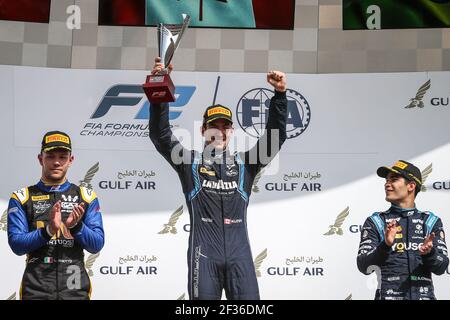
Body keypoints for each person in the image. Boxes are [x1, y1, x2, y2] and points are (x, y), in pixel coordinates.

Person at [149, 57, 288, 299]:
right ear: (203, 131)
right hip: (204, 258)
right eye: (214, 125)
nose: (220, 131)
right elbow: (160, 135)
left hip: (240, 257)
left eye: (225, 126)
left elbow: (274, 139)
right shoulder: (189, 161)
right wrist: (160, 86)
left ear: (232, 131)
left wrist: (279, 95)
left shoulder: (247, 163)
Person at [7, 131, 105, 300]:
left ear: (71, 160)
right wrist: (48, 230)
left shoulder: (86, 196)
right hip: (36, 290)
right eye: (50, 156)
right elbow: (17, 245)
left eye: (63, 156)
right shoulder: (22, 197)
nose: (57, 162)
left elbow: (96, 245)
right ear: (40, 159)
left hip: (75, 291)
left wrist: (76, 226)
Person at [357, 160, 448, 300]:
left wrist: (430, 253)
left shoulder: (430, 221)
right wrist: (385, 245)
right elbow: (363, 265)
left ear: (411, 186)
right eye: (386, 180)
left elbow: (441, 267)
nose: (387, 184)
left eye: (394, 179)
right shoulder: (376, 221)